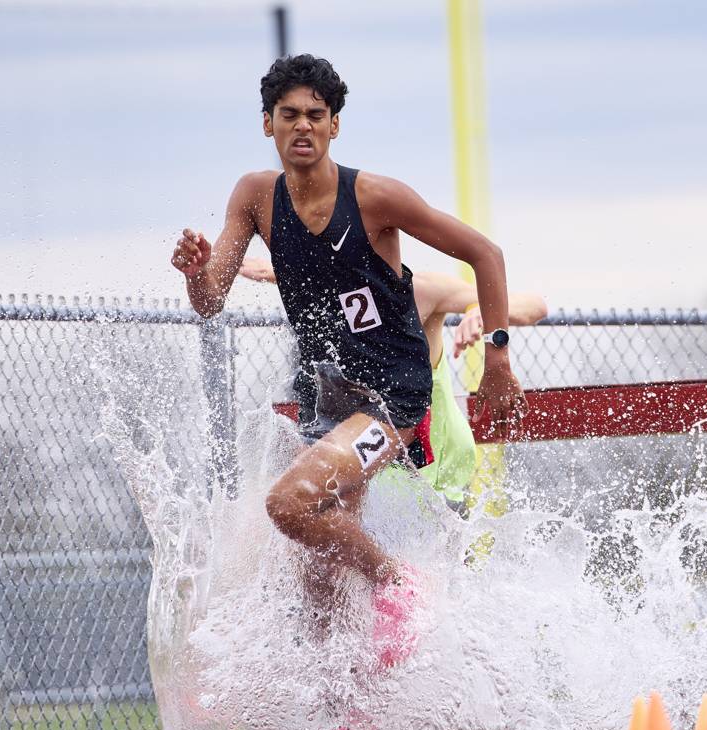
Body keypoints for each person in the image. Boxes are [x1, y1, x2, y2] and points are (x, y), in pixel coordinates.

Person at [169, 54, 526, 670]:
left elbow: (485, 254)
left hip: (390, 400)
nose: (301, 127)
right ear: (267, 125)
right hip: (324, 399)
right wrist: (195, 270)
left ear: (335, 125)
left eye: (315, 115)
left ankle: (399, 582)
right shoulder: (255, 197)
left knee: (290, 503)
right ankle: (352, 715)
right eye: (289, 116)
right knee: (320, 592)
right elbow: (210, 303)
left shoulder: (374, 196)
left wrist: (497, 359)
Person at [240, 258, 548, 509]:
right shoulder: (334, 298)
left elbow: (534, 305)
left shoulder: (420, 292)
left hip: (437, 476)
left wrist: (483, 314)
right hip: (376, 476)